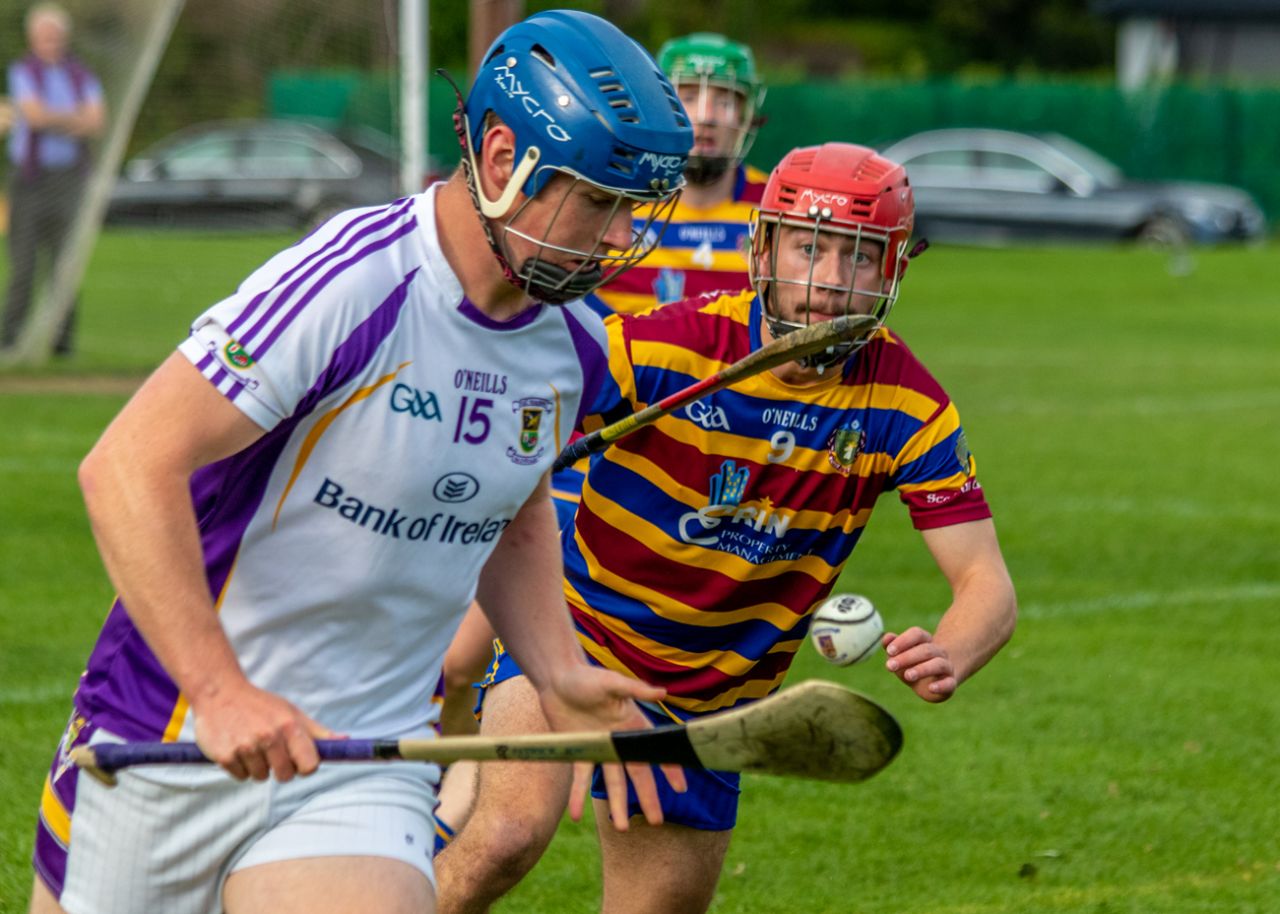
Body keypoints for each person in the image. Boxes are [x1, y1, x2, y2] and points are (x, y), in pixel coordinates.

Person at [27, 10, 694, 914]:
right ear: (504, 158)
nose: (621, 240)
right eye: (600, 202)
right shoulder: (357, 282)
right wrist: (220, 692)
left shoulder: (572, 342)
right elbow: (125, 467)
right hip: (173, 734)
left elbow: (513, 511)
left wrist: (560, 673)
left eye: (632, 210)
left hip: (363, 758)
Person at [435, 142, 1018, 914]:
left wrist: (953, 647)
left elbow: (987, 584)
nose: (826, 284)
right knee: (506, 835)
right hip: (578, 644)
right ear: (762, 247)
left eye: (858, 257)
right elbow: (514, 435)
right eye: (808, 247)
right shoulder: (665, 346)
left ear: (895, 273)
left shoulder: (908, 406)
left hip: (710, 714)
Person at [431, 31, 770, 839]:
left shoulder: (769, 219)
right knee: (456, 660)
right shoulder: (586, 201)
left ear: (752, 117)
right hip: (571, 439)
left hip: (673, 483)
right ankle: (440, 793)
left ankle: (449, 806)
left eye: (726, 99)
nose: (709, 115)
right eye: (691, 95)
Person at [3, 3, 105, 355]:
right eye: (44, 35)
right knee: (24, 262)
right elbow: (32, 116)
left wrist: (54, 118)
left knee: (64, 264)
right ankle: (9, 338)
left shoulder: (79, 74)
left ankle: (62, 344)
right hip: (31, 179)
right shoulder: (22, 72)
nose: (50, 41)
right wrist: (73, 120)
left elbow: (95, 121)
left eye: (55, 35)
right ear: (33, 37)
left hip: (69, 180)